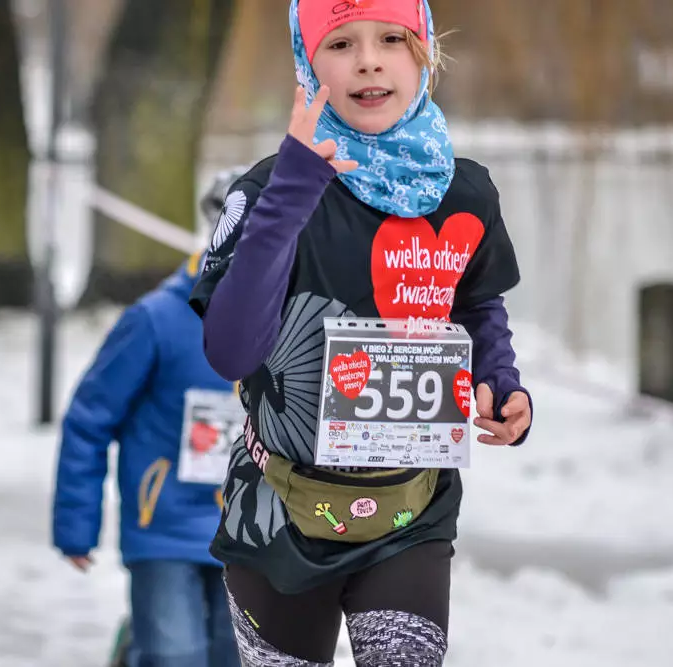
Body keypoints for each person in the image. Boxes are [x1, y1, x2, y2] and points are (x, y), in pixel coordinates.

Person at [188, 1, 533, 665]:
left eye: (392, 40)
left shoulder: (464, 193)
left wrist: (499, 380)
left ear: (424, 55)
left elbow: (477, 300)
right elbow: (229, 350)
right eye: (341, 43)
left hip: (412, 508)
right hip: (279, 512)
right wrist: (294, 187)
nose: (369, 59)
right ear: (306, 65)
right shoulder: (265, 190)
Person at [51, 243, 244, 667]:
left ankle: (139, 641)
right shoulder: (155, 319)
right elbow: (89, 420)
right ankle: (142, 646)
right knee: (175, 656)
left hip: (253, 535)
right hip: (164, 526)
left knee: (237, 660)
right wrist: (76, 526)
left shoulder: (293, 318)